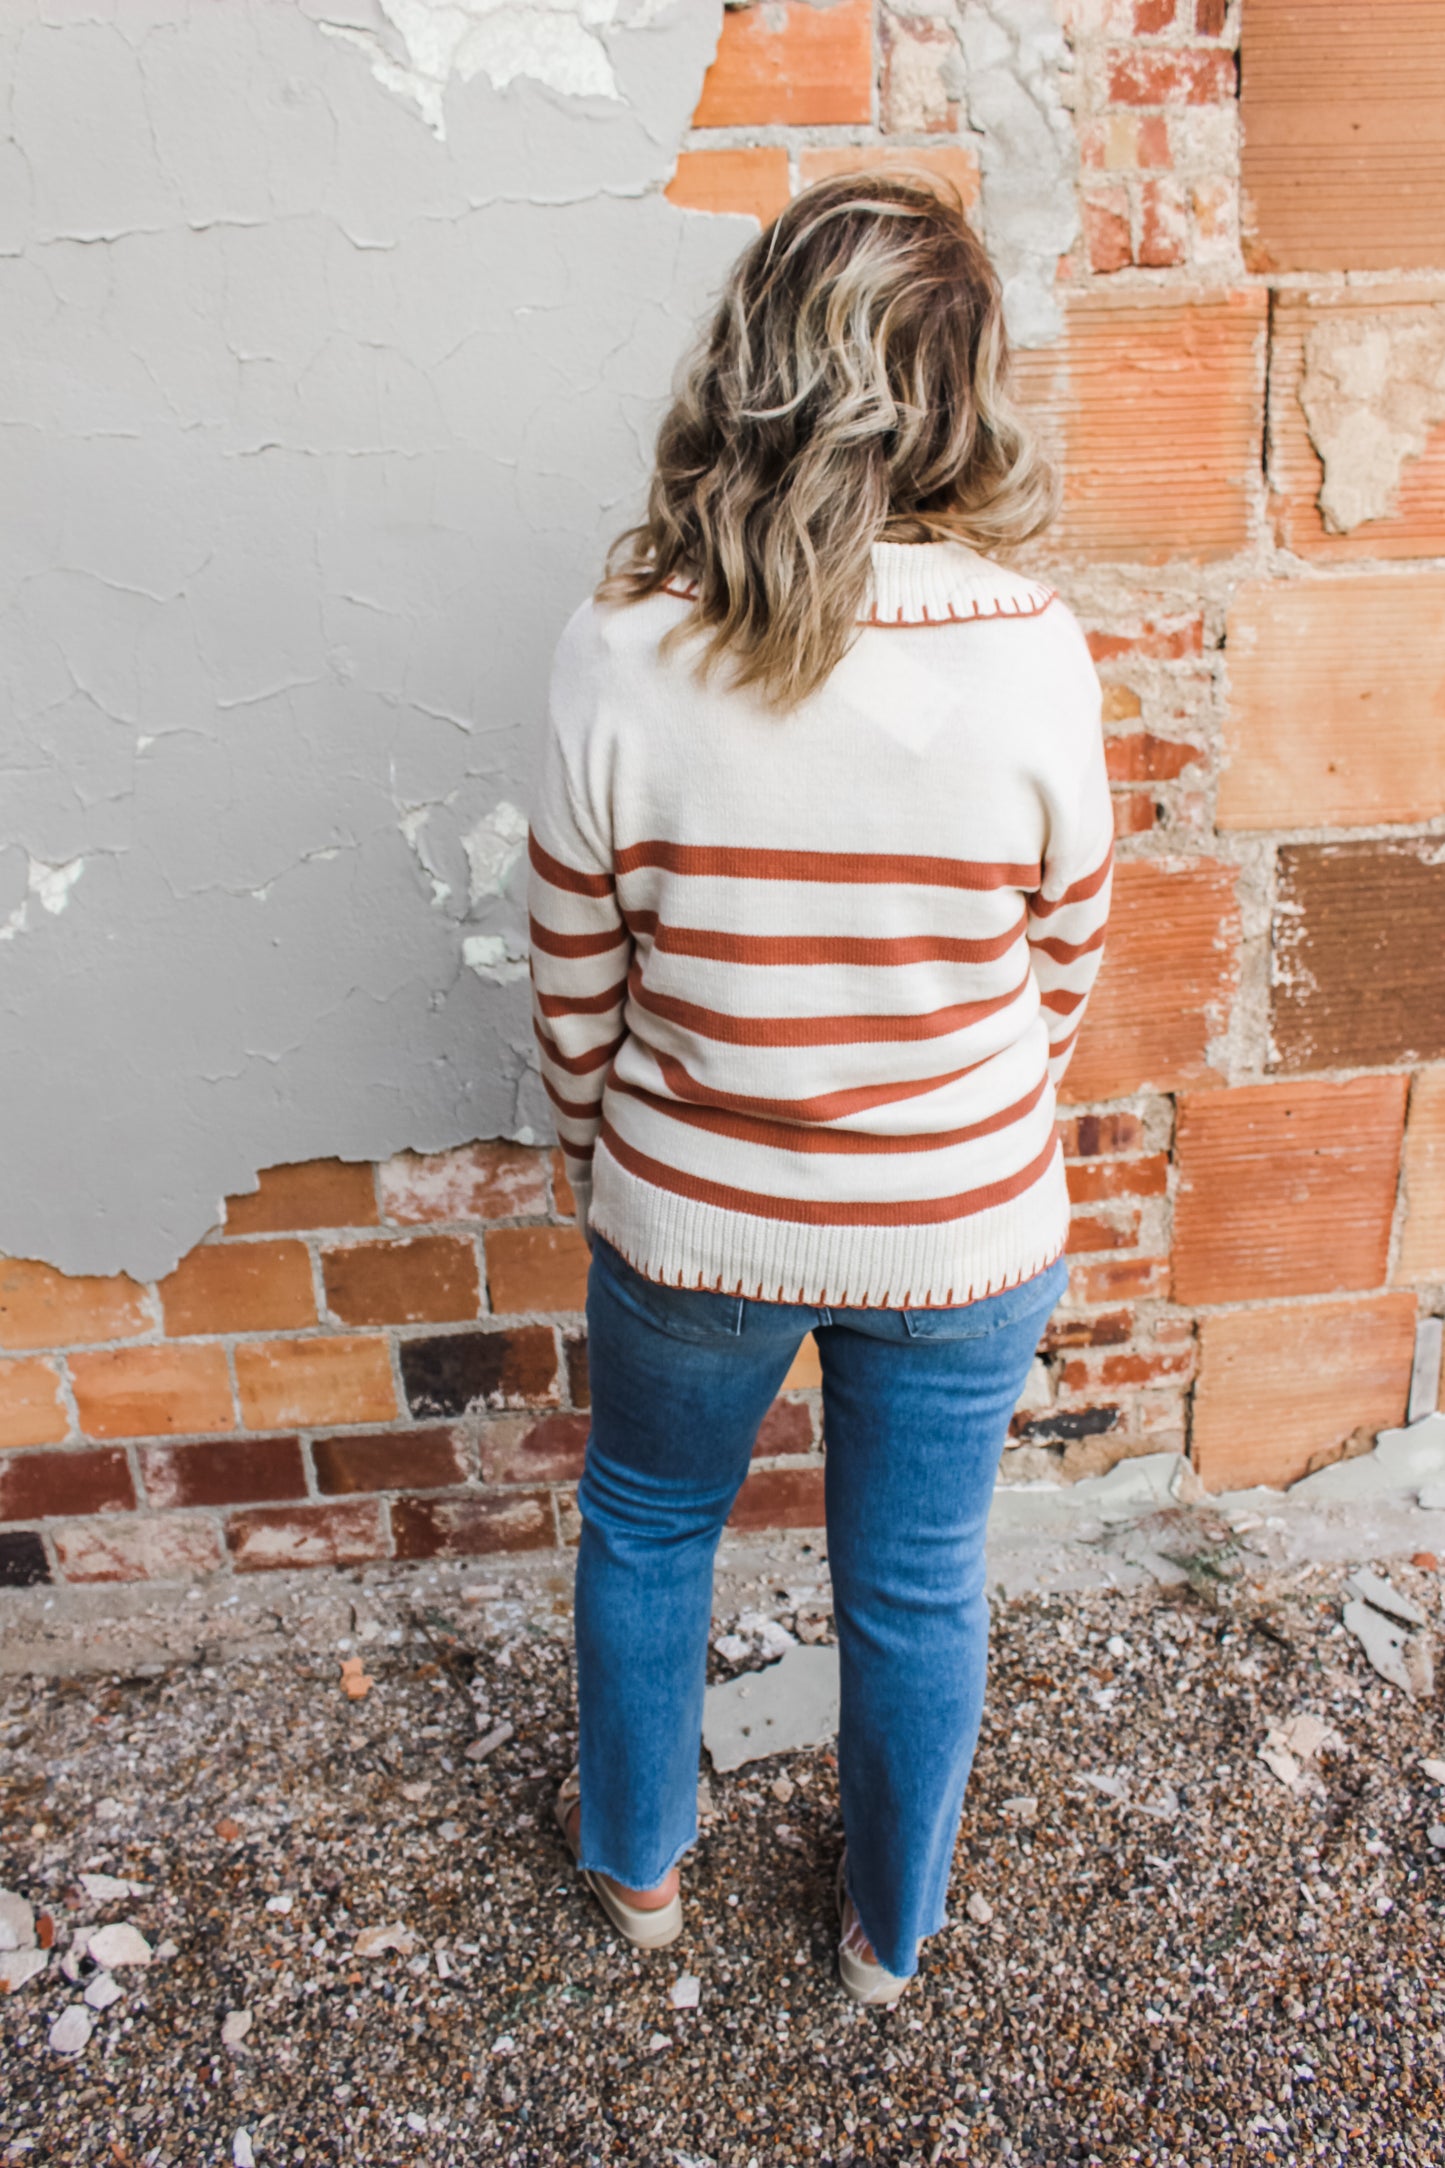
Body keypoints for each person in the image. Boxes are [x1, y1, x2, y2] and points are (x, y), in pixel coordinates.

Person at [526, 170, 1112, 2005]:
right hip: (960, 1224)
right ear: (963, 388)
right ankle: (886, 1932)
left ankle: (633, 1867)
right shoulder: (1031, 649)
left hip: (689, 1213)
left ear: (752, 357)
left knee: (643, 1523)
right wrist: (948, 1121)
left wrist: (604, 1163)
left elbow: (573, 990)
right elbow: (1061, 967)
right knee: (918, 1586)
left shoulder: (622, 644)